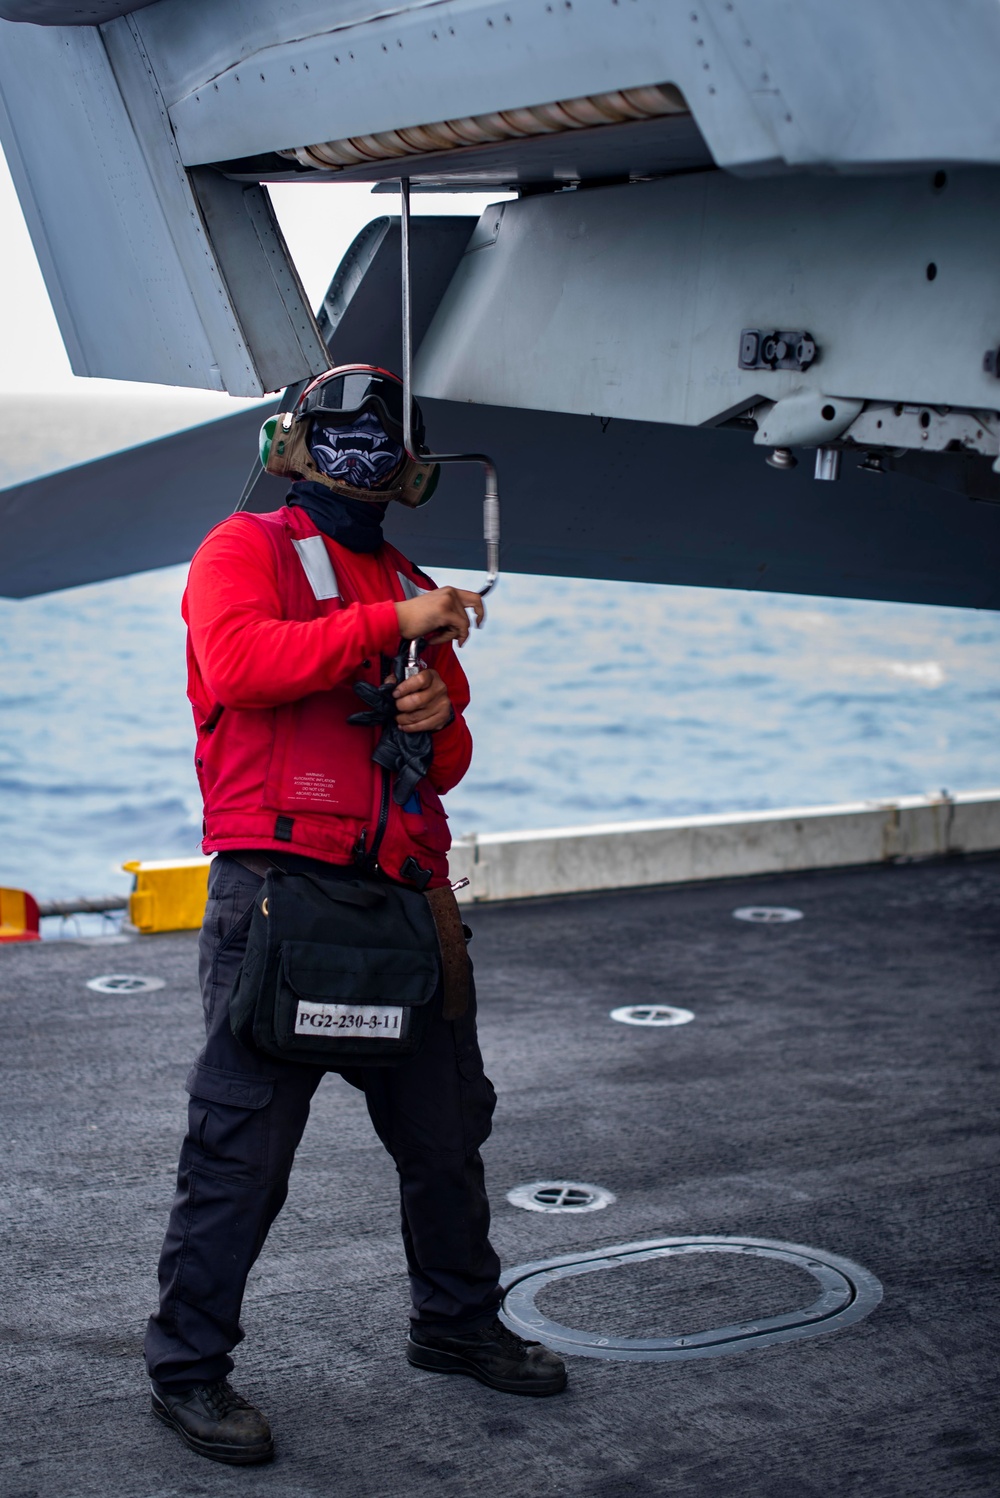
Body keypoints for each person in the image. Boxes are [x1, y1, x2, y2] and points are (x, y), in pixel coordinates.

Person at [144, 365, 566, 1466]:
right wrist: (392, 626)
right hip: (282, 897)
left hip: (401, 902)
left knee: (445, 1136)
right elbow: (239, 664)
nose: (370, 455)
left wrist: (430, 712)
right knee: (240, 1153)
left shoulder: (411, 582)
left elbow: (451, 756)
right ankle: (186, 1372)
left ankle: (457, 1324)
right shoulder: (246, 551)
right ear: (298, 444)